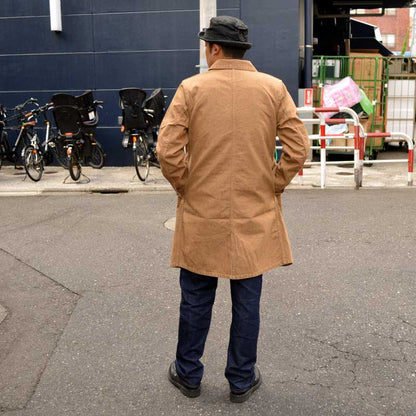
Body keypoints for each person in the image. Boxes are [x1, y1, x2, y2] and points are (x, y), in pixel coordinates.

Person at [156, 15, 310, 403]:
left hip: (201, 211)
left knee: (195, 297)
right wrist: (273, 182)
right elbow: (297, 148)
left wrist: (185, 186)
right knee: (247, 301)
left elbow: (167, 149)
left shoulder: (191, 88)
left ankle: (188, 374)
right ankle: (241, 379)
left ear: (214, 48)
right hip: (254, 210)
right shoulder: (273, 88)